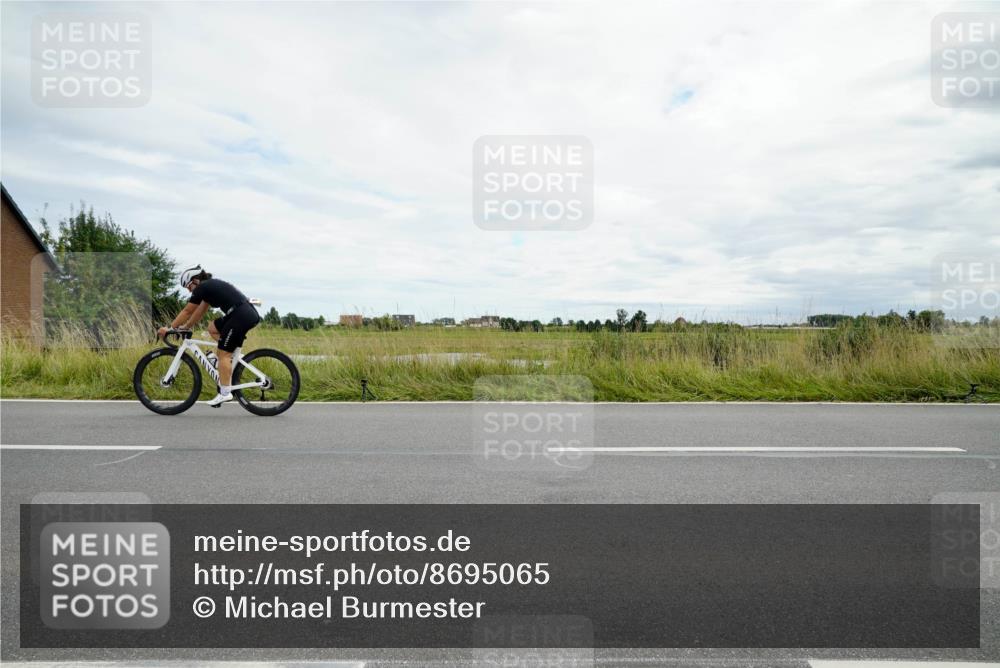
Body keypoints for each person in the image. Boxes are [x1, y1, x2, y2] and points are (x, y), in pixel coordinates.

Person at [158, 265, 261, 407]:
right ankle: (229, 359)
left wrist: (170, 328)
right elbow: (199, 312)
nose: (189, 291)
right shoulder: (208, 288)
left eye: (188, 286)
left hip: (240, 315)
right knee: (212, 328)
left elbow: (188, 311)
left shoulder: (203, 288)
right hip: (242, 313)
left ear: (195, 281)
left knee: (223, 354)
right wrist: (186, 327)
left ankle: (225, 393)